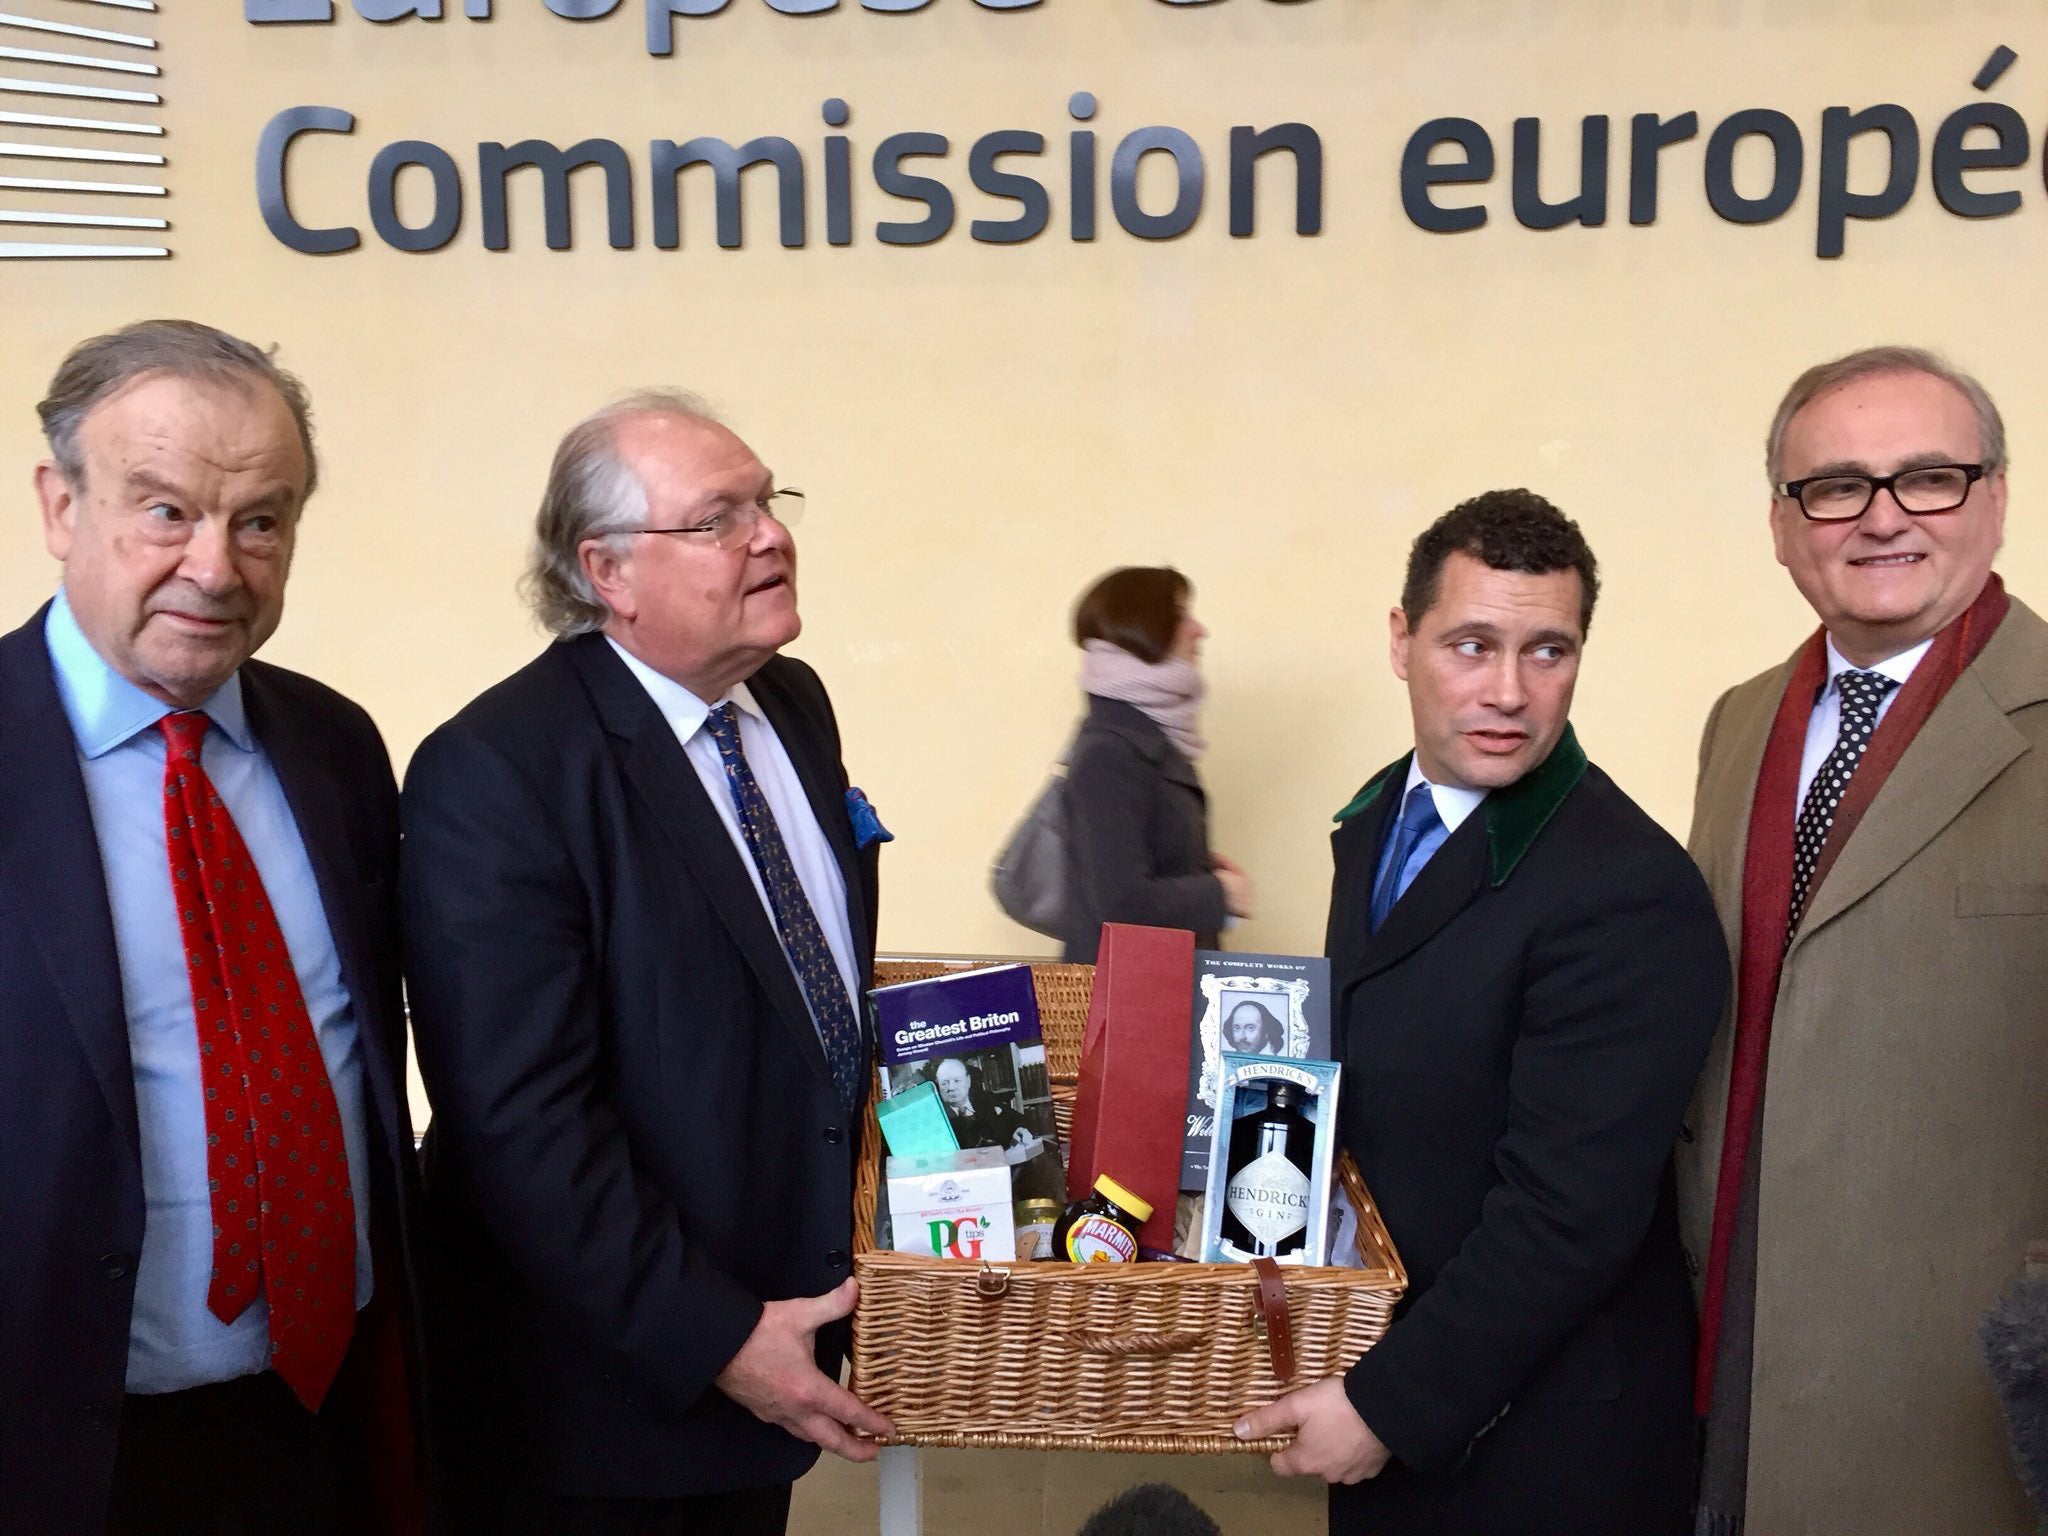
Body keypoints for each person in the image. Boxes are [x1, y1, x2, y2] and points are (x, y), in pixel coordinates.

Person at [401, 391, 892, 1535]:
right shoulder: (497, 774)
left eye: (769, 502)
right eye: (719, 517)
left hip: (776, 1354)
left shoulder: (791, 704)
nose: (770, 534)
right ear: (607, 573)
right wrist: (718, 1337)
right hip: (601, 1413)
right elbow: (521, 1124)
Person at [0, 320, 428, 1533]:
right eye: (164, 511)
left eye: (260, 521)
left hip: (324, 1414)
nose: (216, 567)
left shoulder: (335, 748)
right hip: (63, 1440)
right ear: (60, 505)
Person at [1235, 490, 1728, 1536]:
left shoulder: (1626, 886)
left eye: (1547, 651)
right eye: (1471, 644)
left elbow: (1566, 1216)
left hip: (1541, 1444)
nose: (1507, 691)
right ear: (1399, 641)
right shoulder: (1374, 821)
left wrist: (1385, 1404)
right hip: (1398, 1377)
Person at [1678, 346, 2048, 1536]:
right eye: (1833, 487)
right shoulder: (1738, 723)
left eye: (1926, 477)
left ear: (1992, 497)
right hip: (1725, 1337)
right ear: (1782, 528)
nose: (1881, 518)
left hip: (1954, 1377)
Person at [1059, 566, 1252, 962]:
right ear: (1142, 625)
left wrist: (1194, 865)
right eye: (1182, 614)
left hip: (1152, 990)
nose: (1199, 630)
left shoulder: (1144, 740)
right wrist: (1222, 894)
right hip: (1132, 1004)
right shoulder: (1111, 752)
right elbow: (1121, 903)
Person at [931, 1056, 1060, 1202]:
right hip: (976, 1183)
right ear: (938, 1086)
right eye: (944, 1083)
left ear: (968, 1081)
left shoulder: (986, 1099)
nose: (951, 1088)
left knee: (1042, 1158)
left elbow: (1018, 1118)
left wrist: (1020, 1129)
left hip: (1013, 1171)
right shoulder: (936, 1119)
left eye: (957, 1081)